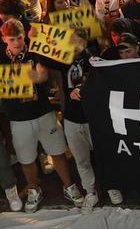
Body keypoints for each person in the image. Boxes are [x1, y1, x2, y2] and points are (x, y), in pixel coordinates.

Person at [1, 19, 81, 212]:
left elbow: (43, 75)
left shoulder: (34, 50)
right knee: (26, 159)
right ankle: (34, 189)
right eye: (12, 39)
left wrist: (27, 77)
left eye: (19, 38)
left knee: (58, 152)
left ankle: (69, 186)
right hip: (18, 117)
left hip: (43, 112)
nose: (17, 43)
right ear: (4, 39)